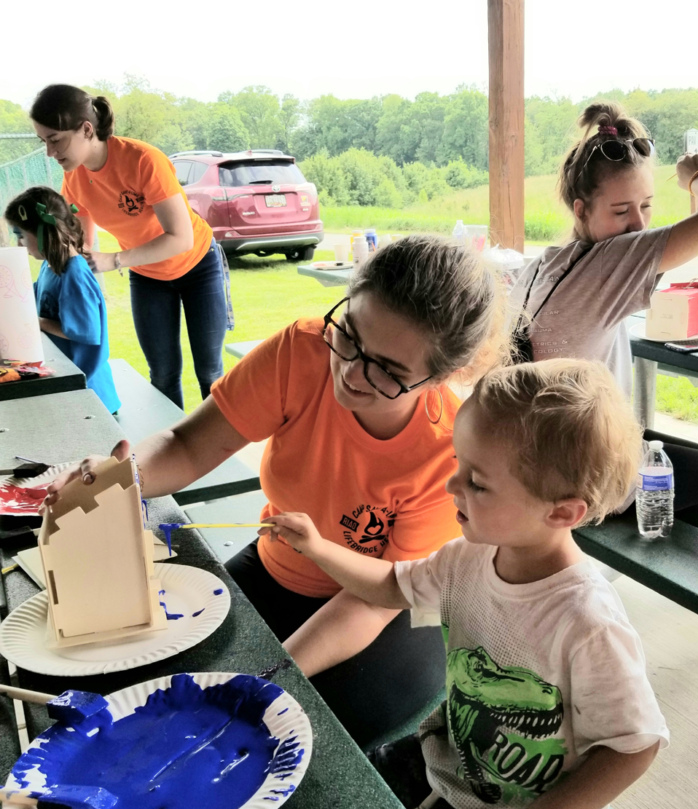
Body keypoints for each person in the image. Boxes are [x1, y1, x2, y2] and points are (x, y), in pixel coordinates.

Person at [45, 234, 509, 748]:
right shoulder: (303, 351)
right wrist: (121, 480)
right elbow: (189, 444)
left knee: (304, 735)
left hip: (387, 612)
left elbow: (378, 598)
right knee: (156, 680)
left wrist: (274, 672)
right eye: (349, 335)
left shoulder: (445, 452)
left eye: (388, 371)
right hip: (278, 568)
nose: (351, 372)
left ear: (443, 376)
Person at [266, 359, 670, 809]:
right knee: (344, 804)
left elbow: (634, 747)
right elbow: (391, 587)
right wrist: (318, 548)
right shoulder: (468, 556)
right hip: (450, 758)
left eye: (476, 483)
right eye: (458, 464)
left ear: (562, 512)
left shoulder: (587, 621)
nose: (450, 487)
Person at [511, 102, 698, 555]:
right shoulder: (611, 262)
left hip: (535, 452)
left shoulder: (546, 265)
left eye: (646, 206)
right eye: (622, 210)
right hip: (578, 471)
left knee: (694, 463)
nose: (639, 224)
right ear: (582, 210)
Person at [30, 83, 227, 410]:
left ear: (86, 129)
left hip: (198, 267)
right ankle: (172, 453)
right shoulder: (74, 179)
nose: (50, 152)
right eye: (43, 142)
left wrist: (115, 259)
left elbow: (181, 237)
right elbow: (80, 244)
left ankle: (220, 455)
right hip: (148, 277)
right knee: (163, 373)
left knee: (210, 371)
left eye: (55, 140)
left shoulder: (143, 160)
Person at [4, 186, 120, 414]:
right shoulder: (51, 266)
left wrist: (36, 321)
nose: (19, 244)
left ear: (41, 232)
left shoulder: (74, 273)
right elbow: (32, 299)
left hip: (91, 394)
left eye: (21, 236)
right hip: (68, 381)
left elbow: (85, 330)